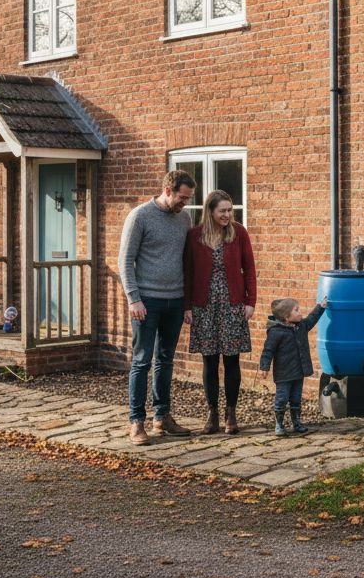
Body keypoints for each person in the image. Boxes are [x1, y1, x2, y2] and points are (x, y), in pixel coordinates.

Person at [118, 169, 196, 445]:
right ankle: (136, 422)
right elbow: (125, 260)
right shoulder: (140, 216)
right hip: (146, 301)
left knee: (165, 360)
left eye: (187, 199)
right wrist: (133, 298)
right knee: (141, 360)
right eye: (182, 197)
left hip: (174, 301)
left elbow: (186, 262)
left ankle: (162, 417)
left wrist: (186, 302)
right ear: (167, 190)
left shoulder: (184, 219)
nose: (184, 203)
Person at [183, 190, 256, 435]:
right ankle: (212, 414)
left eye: (229, 210)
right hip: (204, 307)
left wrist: (250, 301)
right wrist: (187, 306)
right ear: (210, 211)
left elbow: (250, 269)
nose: (227, 215)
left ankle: (231, 414)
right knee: (209, 361)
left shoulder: (239, 233)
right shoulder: (195, 236)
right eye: (222, 210)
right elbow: (188, 273)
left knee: (232, 359)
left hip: (232, 304)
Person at [259, 296, 327, 436]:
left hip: (298, 372)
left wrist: (321, 306)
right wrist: (264, 367)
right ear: (286, 317)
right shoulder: (276, 332)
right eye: (296, 310)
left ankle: (296, 422)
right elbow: (268, 350)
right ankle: (279, 424)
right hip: (284, 374)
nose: (300, 312)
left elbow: (311, 319)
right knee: (282, 399)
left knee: (296, 399)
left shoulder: (301, 326)